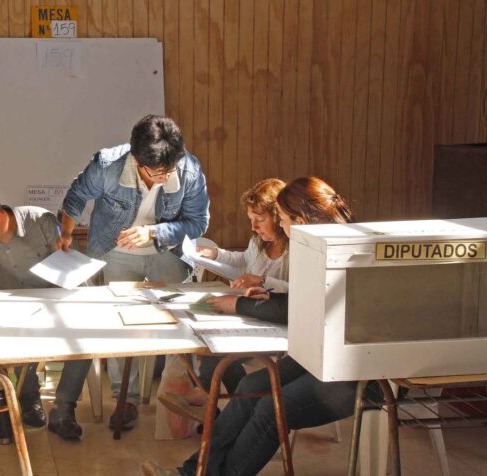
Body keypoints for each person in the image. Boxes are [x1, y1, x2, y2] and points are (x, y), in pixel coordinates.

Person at [142, 176, 365, 476]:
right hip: (322, 357)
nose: (283, 227)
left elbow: (294, 307)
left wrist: (240, 304)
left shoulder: (337, 249)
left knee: (269, 410)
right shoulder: (318, 244)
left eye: (283, 220)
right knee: (249, 388)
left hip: (353, 371)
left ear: (301, 220)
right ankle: (189, 473)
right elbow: (299, 303)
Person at [60, 114, 210, 430]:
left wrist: (156, 234)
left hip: (167, 252)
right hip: (116, 251)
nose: (162, 179)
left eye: (168, 171)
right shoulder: (107, 165)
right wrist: (66, 234)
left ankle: (180, 394)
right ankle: (123, 399)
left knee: (179, 321)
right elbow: (76, 196)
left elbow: (198, 223)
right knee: (119, 323)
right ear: (136, 159)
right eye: (155, 172)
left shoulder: (189, 169)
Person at [0, 187, 92, 440]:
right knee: (12, 337)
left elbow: (70, 261)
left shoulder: (41, 222)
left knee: (87, 339)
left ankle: (64, 408)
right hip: (10, 313)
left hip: (55, 303)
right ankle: (29, 398)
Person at [161, 178, 290, 420]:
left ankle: (221, 408)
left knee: (217, 351)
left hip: (277, 322)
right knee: (205, 338)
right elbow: (242, 261)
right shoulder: (259, 242)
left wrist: (263, 282)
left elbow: (301, 292)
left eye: (260, 219)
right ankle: (224, 405)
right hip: (251, 313)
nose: (253, 226)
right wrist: (214, 254)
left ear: (279, 217)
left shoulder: (295, 249)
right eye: (251, 219)